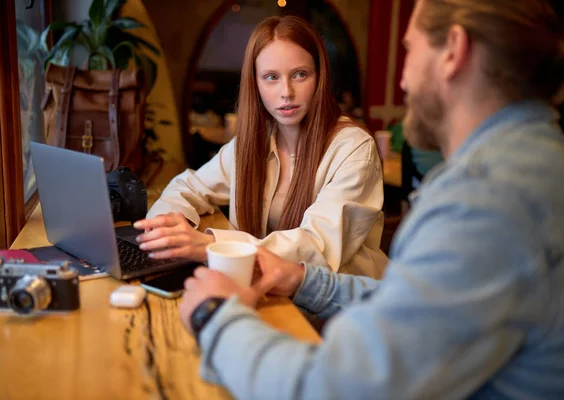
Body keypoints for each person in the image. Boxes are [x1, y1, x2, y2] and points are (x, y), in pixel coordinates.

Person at [178, 0, 564, 398]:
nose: (402, 82)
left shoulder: (487, 201)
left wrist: (215, 317)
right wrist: (304, 280)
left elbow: (336, 389)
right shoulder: (533, 163)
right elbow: (412, 304)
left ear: (453, 49)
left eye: (409, 49)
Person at [134, 16, 387, 277]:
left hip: (344, 309)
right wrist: (169, 226)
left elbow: (316, 248)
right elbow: (188, 187)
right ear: (254, 83)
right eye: (271, 77)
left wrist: (210, 245)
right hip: (273, 291)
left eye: (300, 75)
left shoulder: (354, 149)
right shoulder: (255, 140)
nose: (286, 91)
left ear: (320, 77)